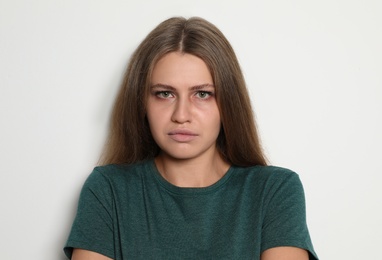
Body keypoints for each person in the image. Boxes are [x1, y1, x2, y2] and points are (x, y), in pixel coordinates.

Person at [64, 17, 318, 260]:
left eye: (203, 94)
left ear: (228, 101)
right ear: (141, 102)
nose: (181, 115)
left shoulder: (274, 191)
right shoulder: (109, 189)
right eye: (164, 93)